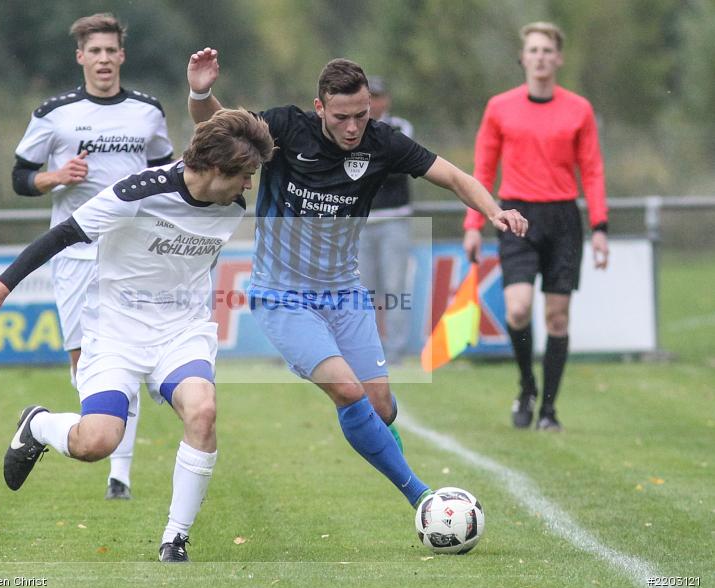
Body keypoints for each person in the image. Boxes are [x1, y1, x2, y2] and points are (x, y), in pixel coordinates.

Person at [186, 49, 528, 525]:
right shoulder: (286, 128)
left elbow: (452, 176)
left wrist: (494, 211)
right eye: (342, 117)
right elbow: (220, 131)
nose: (353, 128)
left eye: (362, 116)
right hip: (282, 296)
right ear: (320, 107)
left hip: (344, 293)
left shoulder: (382, 143)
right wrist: (200, 91)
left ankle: (410, 481)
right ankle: (423, 499)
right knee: (348, 390)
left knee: (381, 406)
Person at [0, 109, 275, 562]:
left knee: (202, 411)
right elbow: (63, 234)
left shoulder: (230, 206)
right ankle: (38, 425)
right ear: (217, 168)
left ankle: (175, 539)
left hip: (181, 332)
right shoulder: (137, 193)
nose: (249, 186)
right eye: (245, 175)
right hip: (115, 332)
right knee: (97, 443)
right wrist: (2, 286)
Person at [11, 13, 175, 500]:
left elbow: (166, 173)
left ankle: (119, 474)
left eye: (110, 50)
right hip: (76, 253)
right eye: (94, 51)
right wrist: (55, 177)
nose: (103, 59)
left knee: (130, 352)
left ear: (122, 55)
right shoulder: (54, 114)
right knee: (84, 361)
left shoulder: (148, 111)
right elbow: (20, 178)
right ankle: (80, 432)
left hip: (134, 252)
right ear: (80, 56)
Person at [462, 22, 609, 432]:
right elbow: (483, 169)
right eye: (533, 50)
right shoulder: (499, 107)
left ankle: (548, 410)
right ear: (523, 58)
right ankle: (527, 384)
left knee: (557, 318)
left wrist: (600, 226)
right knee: (518, 308)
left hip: (562, 218)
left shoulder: (578, 109)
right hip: (516, 216)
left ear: (558, 58)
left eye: (547, 50)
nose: (540, 57)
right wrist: (473, 223)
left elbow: (592, 171)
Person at [357, 77, 416, 365]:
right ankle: (366, 348)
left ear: (386, 100)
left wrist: (367, 165)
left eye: (377, 97)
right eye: (368, 97)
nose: (373, 103)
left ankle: (395, 351)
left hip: (394, 220)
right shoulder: (352, 129)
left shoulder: (400, 127)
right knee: (363, 290)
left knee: (394, 288)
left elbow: (398, 165)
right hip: (362, 223)